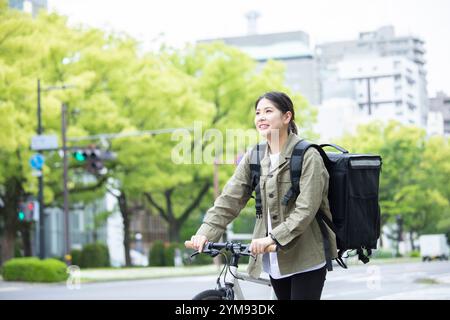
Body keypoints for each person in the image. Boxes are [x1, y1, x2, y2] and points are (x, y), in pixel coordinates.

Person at [187, 91, 337, 300]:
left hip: (306, 256)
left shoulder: (308, 155)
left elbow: (306, 209)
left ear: (287, 117)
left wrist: (272, 238)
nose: (261, 117)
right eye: (258, 113)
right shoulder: (255, 155)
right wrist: (205, 232)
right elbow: (230, 199)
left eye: (268, 111)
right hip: (273, 258)